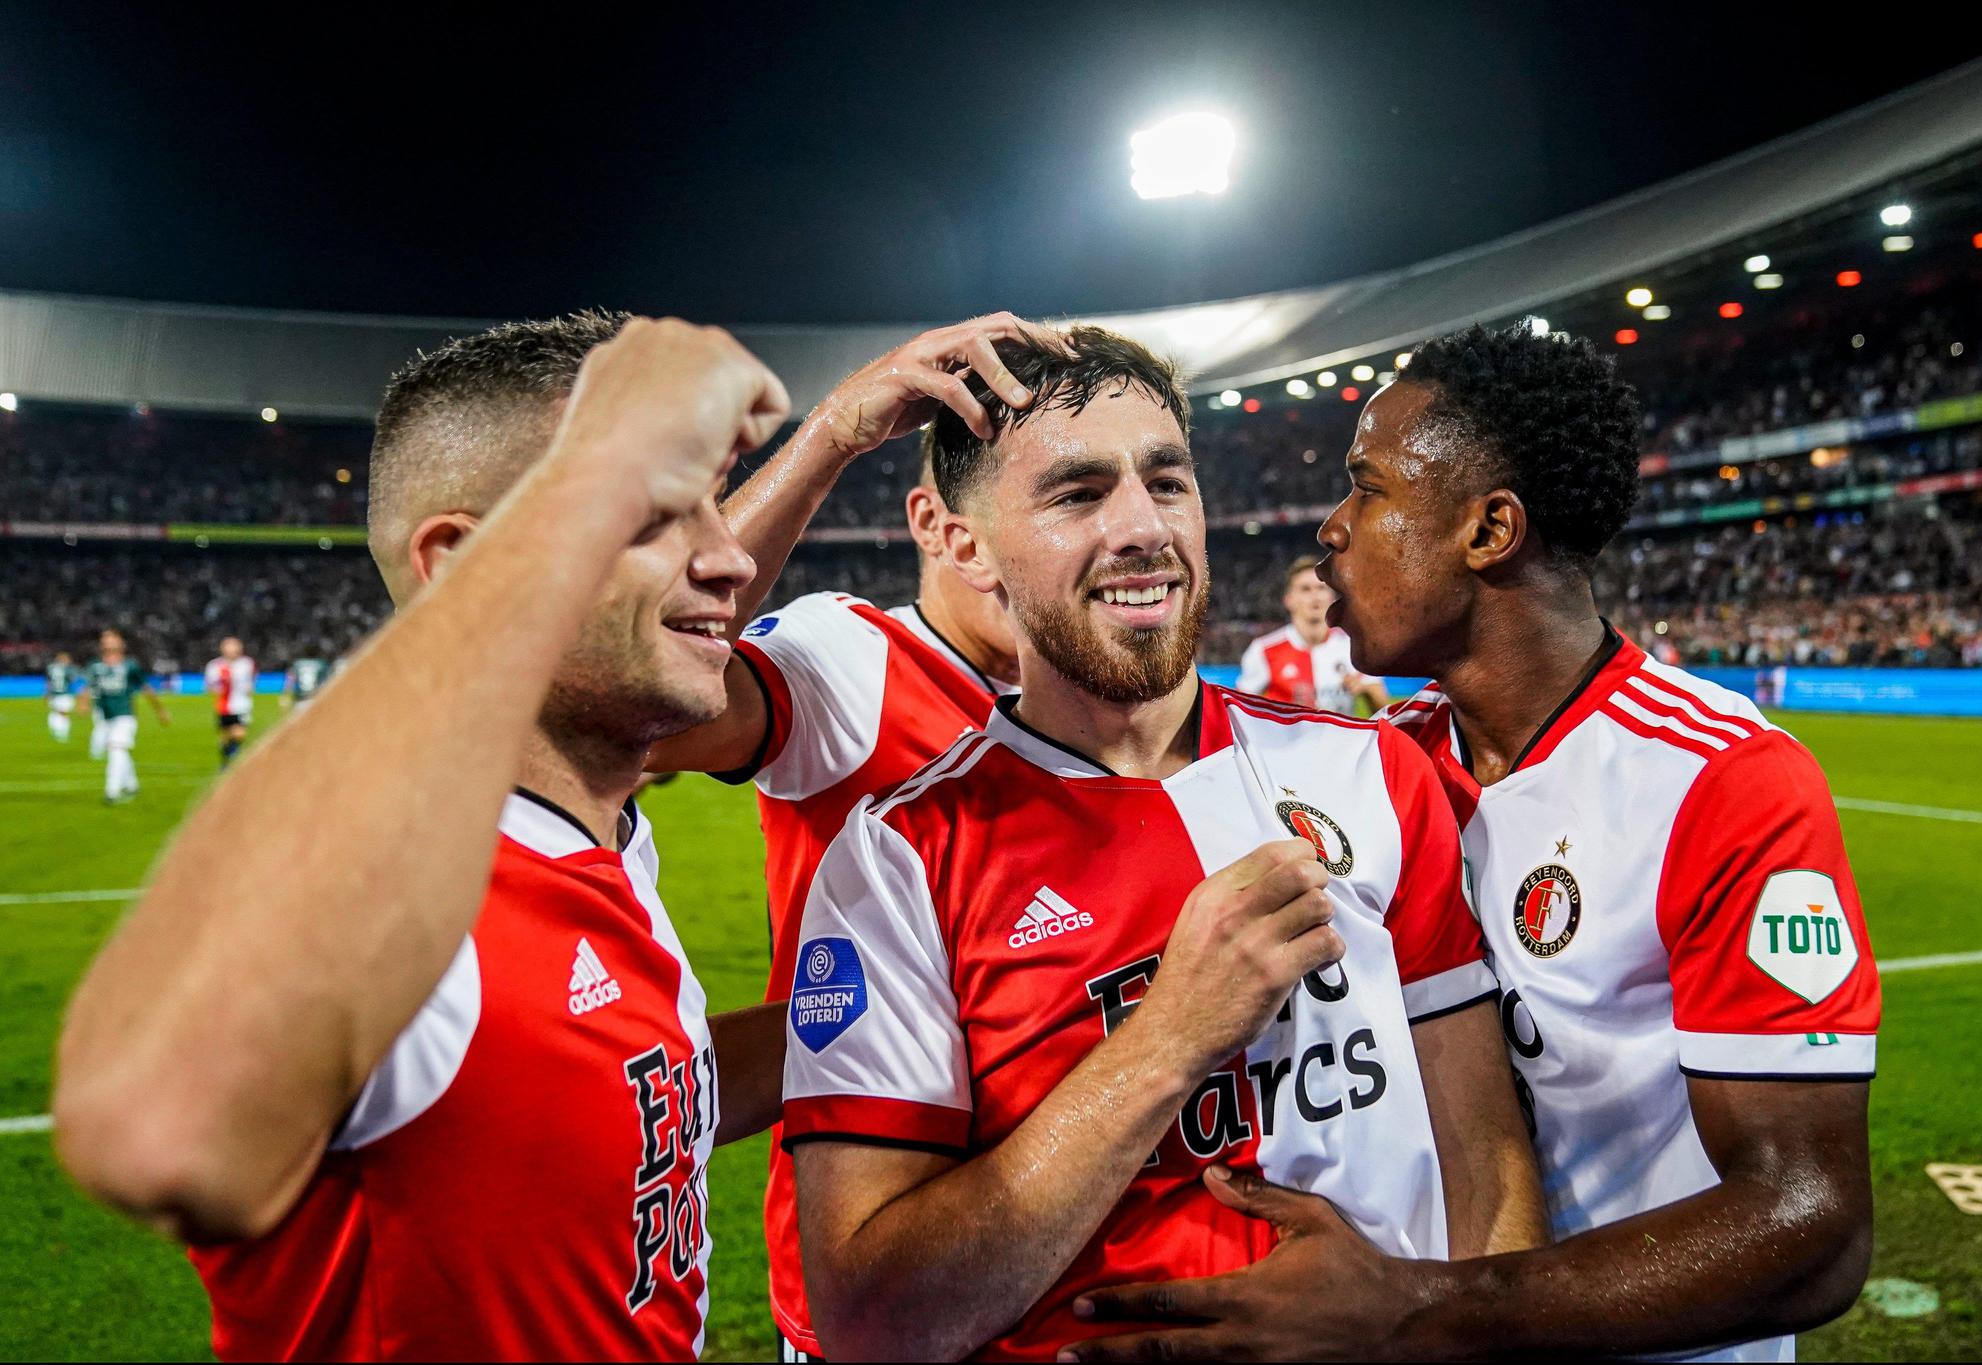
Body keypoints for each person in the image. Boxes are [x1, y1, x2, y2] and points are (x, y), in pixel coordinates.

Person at [1065, 324, 1879, 1363]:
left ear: (1489, 530)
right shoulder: (1371, 772)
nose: (1331, 528)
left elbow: (1810, 1223)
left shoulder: (1719, 779)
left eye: (1367, 489)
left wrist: (1423, 1309)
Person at [780, 326, 1545, 1361]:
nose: (1142, 526)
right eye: (1077, 493)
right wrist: (1169, 1037)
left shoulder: (1372, 773)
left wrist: (1442, 1321)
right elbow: (876, 1323)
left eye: (1167, 481)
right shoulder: (897, 859)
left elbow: (1487, 1162)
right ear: (966, 547)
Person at [54, 312, 794, 1361]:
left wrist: (879, 1024)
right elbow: (153, 1133)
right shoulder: (410, 893)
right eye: (656, 512)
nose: (729, 558)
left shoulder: (594, 839)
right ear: (462, 564)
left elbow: (619, 1101)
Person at [643, 314, 1065, 1361]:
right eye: (1048, 501)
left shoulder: (1111, 700)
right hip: (882, 1260)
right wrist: (832, 431)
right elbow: (647, 705)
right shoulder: (853, 657)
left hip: (1078, 1247)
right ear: (941, 528)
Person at [1236, 554, 1386, 714]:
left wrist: (1366, 689)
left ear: (1331, 597)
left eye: (1321, 588)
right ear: (1289, 600)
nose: (1315, 596)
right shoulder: (1264, 650)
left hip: (1339, 732)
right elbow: (1238, 710)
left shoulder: (1353, 645)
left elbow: (1383, 711)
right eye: (1305, 589)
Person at [81, 629, 169, 804]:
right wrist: (83, 703)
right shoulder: (95, 666)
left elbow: (146, 688)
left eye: (111, 639)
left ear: (121, 643)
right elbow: (88, 687)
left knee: (116, 747)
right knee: (118, 749)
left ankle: (112, 791)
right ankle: (131, 784)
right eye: (105, 639)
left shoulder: (130, 665)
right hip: (105, 716)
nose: (107, 642)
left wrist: (160, 710)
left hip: (125, 715)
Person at [203, 636, 257, 767]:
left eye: (235, 646)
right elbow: (209, 685)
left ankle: (233, 755)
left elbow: (252, 680)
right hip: (224, 706)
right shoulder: (214, 665)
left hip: (242, 705)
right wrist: (217, 689)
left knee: (239, 734)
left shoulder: (246, 663)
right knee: (225, 736)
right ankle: (226, 761)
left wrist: (249, 690)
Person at [45, 650, 79, 742]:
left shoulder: (51, 668)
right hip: (65, 694)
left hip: (54, 694)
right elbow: (73, 680)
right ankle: (63, 732)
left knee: (56, 712)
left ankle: (56, 730)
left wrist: (47, 694)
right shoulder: (68, 669)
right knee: (63, 714)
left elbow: (48, 683)